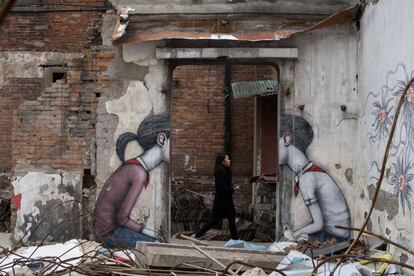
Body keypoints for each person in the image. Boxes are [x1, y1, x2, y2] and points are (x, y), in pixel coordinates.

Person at [94, 114, 170, 248]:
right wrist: (153, 233)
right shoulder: (138, 172)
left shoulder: (134, 166)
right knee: (157, 244)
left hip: (107, 230)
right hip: (109, 233)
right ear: (162, 139)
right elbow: (122, 219)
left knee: (157, 240)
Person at [279, 114, 350, 241]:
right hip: (335, 234)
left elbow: (318, 224)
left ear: (286, 139)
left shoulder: (307, 178)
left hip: (336, 238)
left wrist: (293, 235)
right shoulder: (310, 172)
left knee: (286, 243)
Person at [194, 153, 239, 240]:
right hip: (221, 202)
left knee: (231, 220)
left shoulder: (225, 171)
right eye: (227, 159)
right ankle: (198, 234)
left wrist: (232, 187)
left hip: (227, 201)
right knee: (215, 221)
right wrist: (233, 189)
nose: (229, 160)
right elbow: (222, 189)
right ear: (222, 161)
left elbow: (226, 186)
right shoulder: (220, 173)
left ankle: (235, 239)